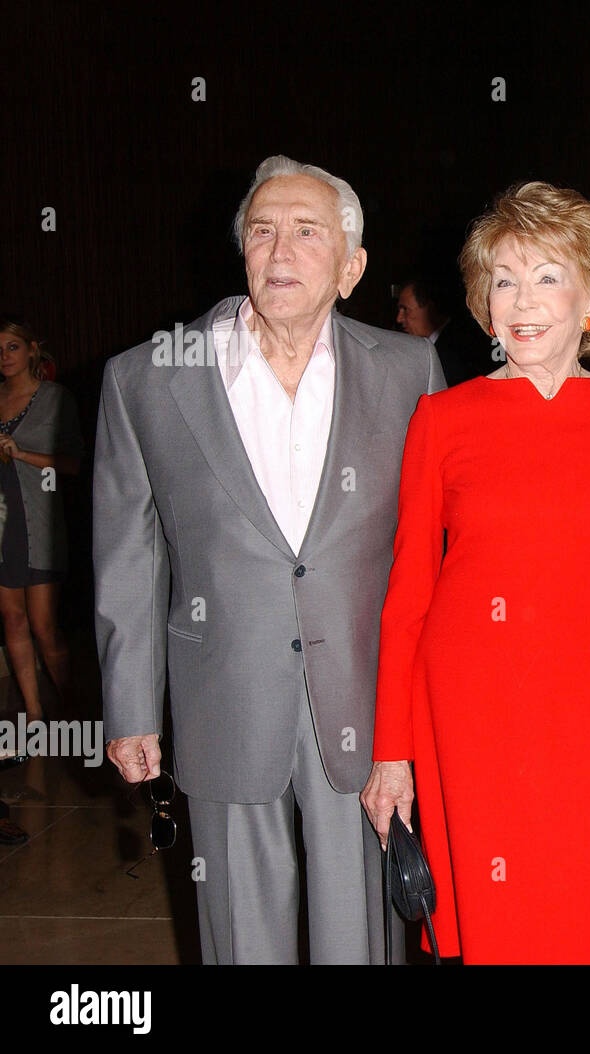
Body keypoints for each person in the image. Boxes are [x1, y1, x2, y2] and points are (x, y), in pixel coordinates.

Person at [94, 155, 445, 964]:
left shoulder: (408, 372)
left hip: (362, 713)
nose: (280, 250)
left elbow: (429, 553)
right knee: (238, 938)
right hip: (223, 699)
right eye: (263, 231)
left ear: (352, 268)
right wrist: (129, 705)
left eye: (307, 232)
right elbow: (127, 554)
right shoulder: (147, 378)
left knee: (359, 936)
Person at [363, 181, 590, 964]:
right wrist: (390, 750)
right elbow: (408, 594)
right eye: (504, 279)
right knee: (499, 927)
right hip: (470, 714)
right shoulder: (444, 418)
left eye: (547, 276)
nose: (522, 301)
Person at [0, 318, 83, 724]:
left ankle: (70, 709)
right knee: (12, 619)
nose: (4, 357)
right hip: (2, 524)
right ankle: (33, 713)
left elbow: (73, 464)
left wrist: (20, 454)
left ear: (32, 349)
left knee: (45, 626)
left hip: (38, 524)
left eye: (12, 347)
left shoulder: (55, 398)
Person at [395, 277, 489, 387]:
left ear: (429, 308)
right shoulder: (416, 349)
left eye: (405, 309)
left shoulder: (461, 348)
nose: (399, 318)